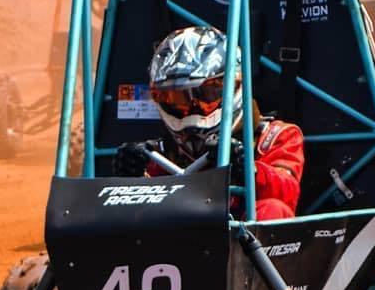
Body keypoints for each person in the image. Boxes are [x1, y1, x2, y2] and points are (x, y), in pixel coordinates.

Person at [114, 26, 304, 221]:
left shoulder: (274, 136)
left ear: (232, 86)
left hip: (241, 233)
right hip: (179, 234)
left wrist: (248, 169)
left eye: (205, 94)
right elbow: (141, 215)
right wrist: (131, 182)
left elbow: (288, 193)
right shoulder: (161, 154)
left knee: (274, 208)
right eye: (178, 99)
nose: (191, 109)